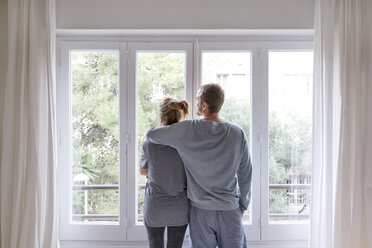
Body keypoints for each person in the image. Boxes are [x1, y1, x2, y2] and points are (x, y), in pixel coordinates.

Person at [146, 83, 252, 248]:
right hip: (230, 209)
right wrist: (243, 204)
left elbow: (152, 134)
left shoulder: (189, 129)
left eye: (197, 99)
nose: (195, 102)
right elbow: (246, 173)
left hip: (201, 211)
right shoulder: (237, 133)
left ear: (204, 105)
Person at [139, 97, 190, 248]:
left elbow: (143, 170)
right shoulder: (186, 144)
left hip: (155, 206)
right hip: (179, 208)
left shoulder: (149, 143)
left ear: (161, 119)